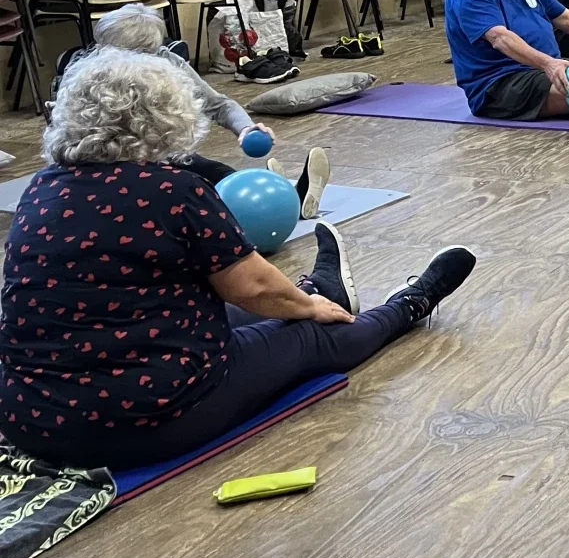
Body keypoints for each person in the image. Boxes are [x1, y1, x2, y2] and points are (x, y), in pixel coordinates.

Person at [0, 49, 475, 471]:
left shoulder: (42, 187)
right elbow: (253, 287)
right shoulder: (174, 189)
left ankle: (318, 289)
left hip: (30, 420)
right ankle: (409, 305)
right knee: (309, 335)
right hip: (145, 420)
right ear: (167, 116)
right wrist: (307, 310)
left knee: (232, 308)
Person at [88, 2, 330, 219]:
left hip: (165, 157)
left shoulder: (167, 61)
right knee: (194, 197)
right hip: (114, 167)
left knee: (226, 178)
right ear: (104, 50)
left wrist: (246, 128)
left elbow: (217, 105)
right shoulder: (88, 77)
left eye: (148, 53)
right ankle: (276, 197)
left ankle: (286, 197)